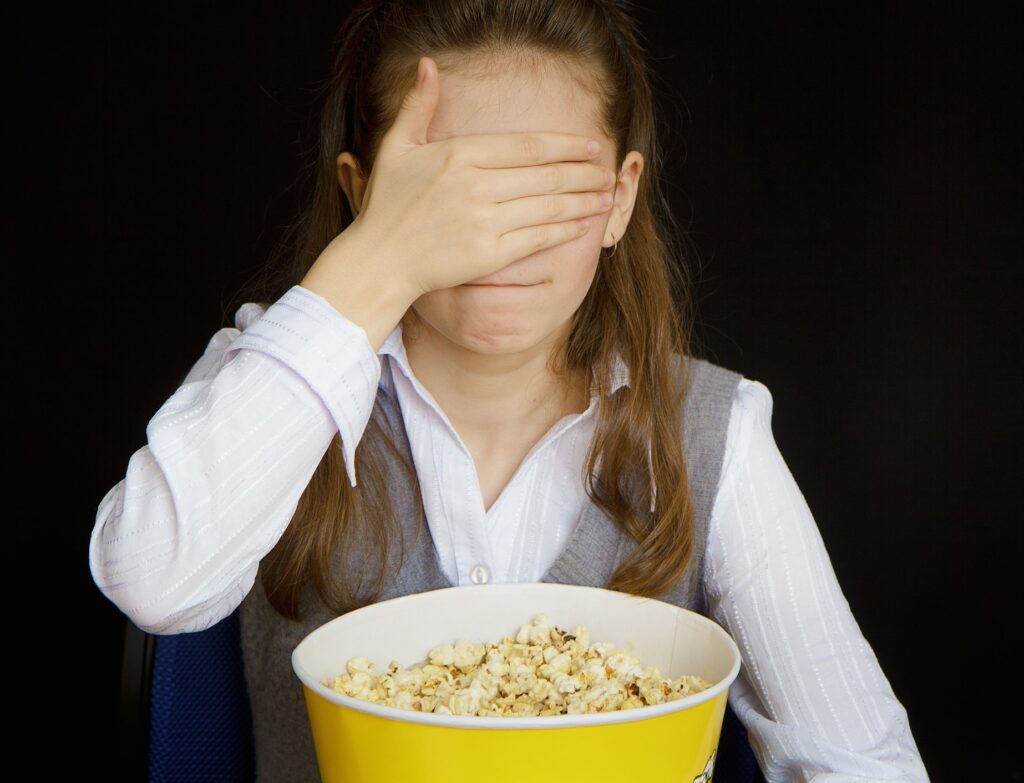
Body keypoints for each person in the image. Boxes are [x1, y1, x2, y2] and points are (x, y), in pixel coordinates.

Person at [88, 1, 929, 780]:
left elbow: (862, 760)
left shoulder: (714, 432)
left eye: (548, 189)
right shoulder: (273, 375)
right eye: (451, 195)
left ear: (618, 198)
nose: (499, 242)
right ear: (361, 192)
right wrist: (378, 259)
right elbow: (154, 577)